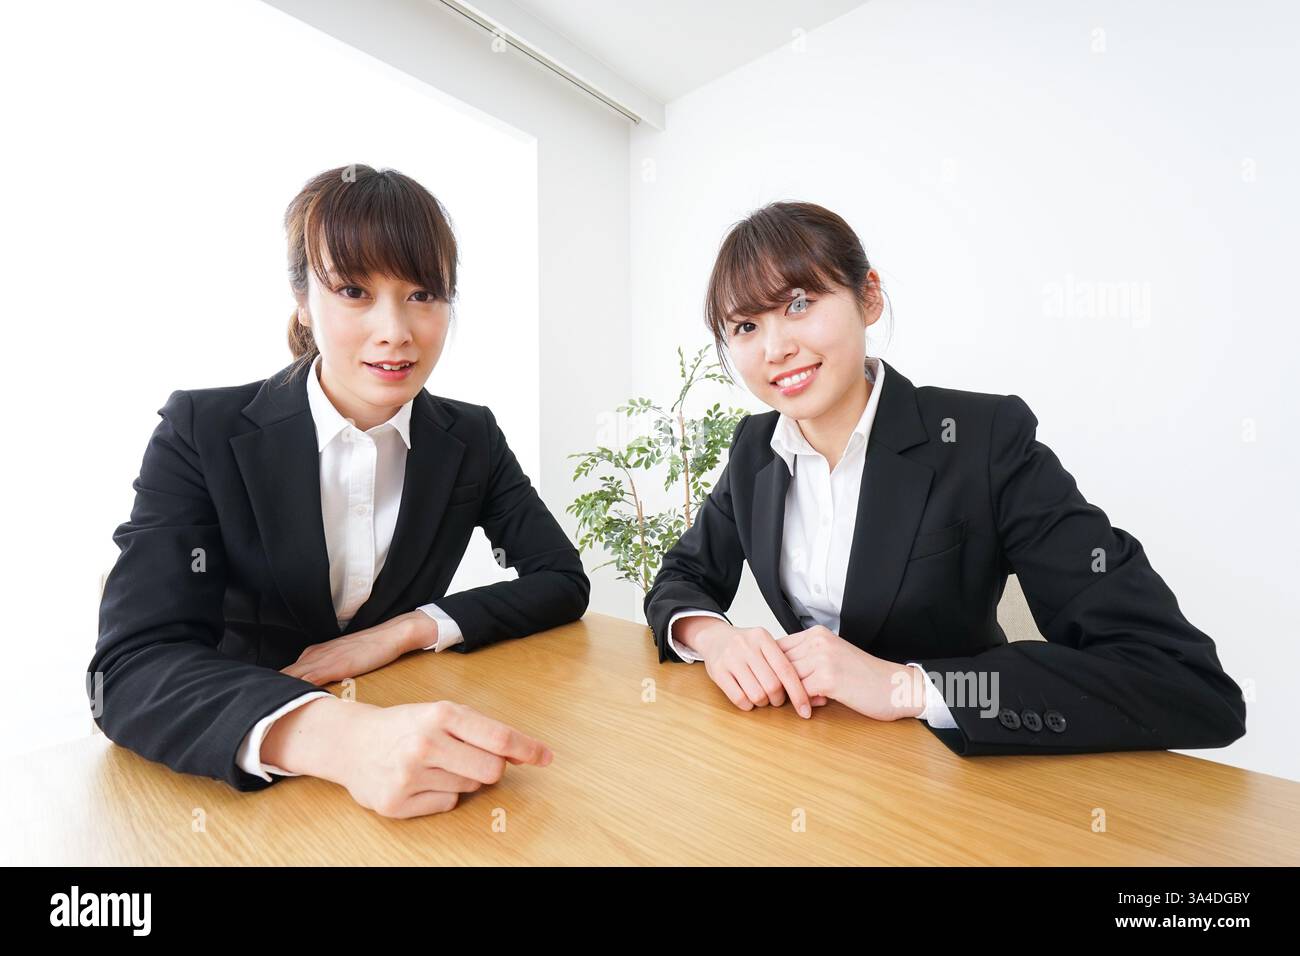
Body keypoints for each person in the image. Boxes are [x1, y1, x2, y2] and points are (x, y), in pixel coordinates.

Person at [644, 200, 1246, 756]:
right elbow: (683, 576)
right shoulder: (755, 448)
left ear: (869, 297)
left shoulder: (984, 439)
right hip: (817, 757)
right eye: (745, 326)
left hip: (953, 773)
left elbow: (1179, 679)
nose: (775, 347)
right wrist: (713, 638)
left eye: (799, 302)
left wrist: (905, 686)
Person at [89, 165, 588, 816]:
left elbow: (559, 578)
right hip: (242, 766)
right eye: (354, 290)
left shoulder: (471, 435)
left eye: (423, 294)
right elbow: (129, 669)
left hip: (403, 732)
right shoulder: (201, 430)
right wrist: (336, 737)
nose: (395, 331)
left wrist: (407, 630)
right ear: (303, 300)